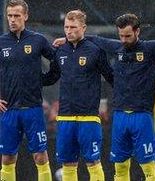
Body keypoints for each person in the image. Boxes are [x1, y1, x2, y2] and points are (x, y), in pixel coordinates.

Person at [61, 13, 155, 181]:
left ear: (138, 32)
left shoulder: (151, 48)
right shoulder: (117, 47)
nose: (124, 40)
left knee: (148, 167)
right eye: (121, 35)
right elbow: (94, 39)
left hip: (142, 116)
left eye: (128, 36)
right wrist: (67, 39)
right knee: (120, 166)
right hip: (120, 116)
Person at [0, 0, 60, 181]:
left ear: (26, 16)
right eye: (10, 16)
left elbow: (57, 63)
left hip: (33, 109)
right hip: (9, 110)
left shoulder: (38, 40)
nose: (12, 19)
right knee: (8, 158)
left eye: (17, 15)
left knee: (40, 156)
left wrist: (44, 80)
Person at [52, 10, 114, 181]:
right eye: (66, 27)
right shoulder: (60, 51)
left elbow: (111, 78)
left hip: (88, 117)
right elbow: (51, 77)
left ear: (83, 28)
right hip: (65, 117)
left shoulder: (95, 51)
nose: (69, 31)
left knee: (93, 162)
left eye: (73, 27)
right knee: (68, 164)